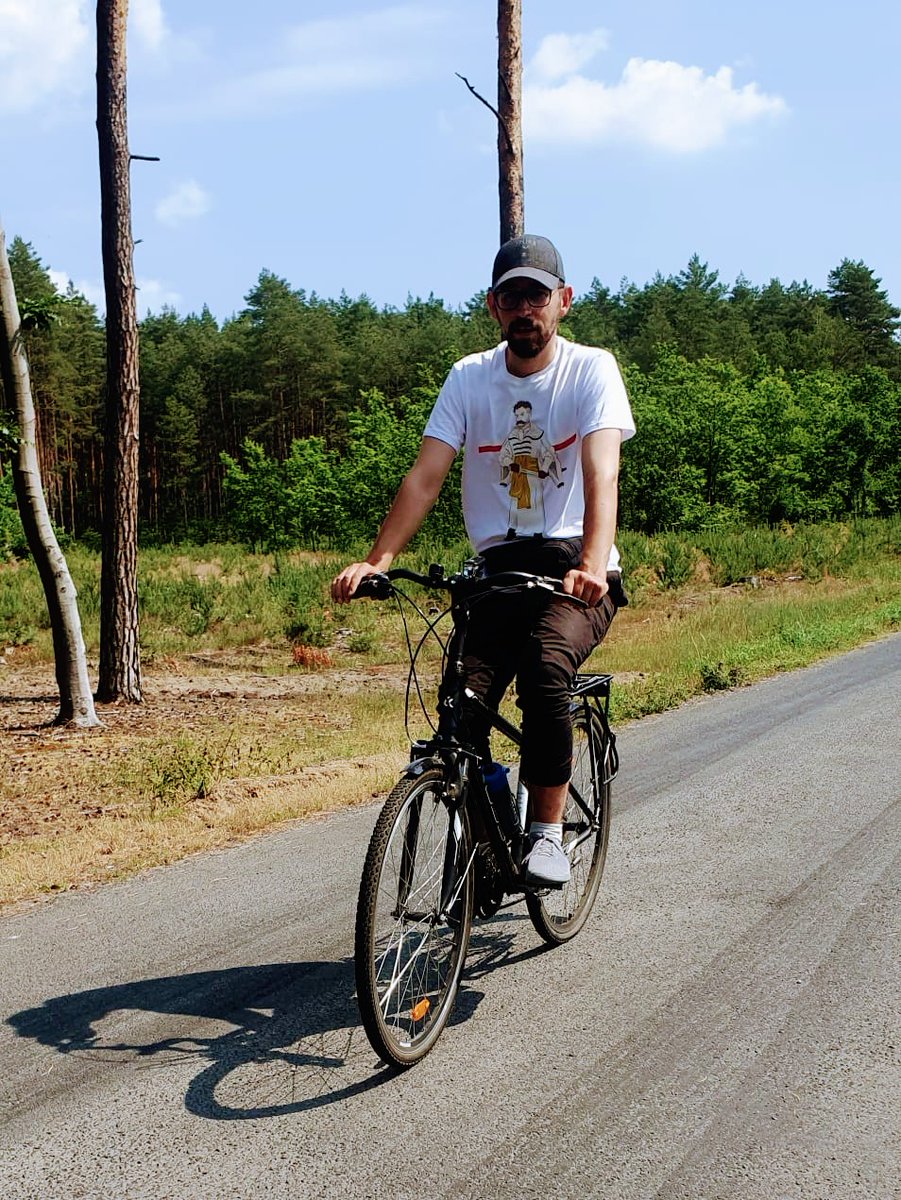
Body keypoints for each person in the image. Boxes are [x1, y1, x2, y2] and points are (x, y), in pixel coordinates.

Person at [332, 234, 635, 885]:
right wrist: (379, 559)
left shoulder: (590, 369)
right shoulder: (470, 378)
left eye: (537, 295)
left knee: (545, 669)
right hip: (497, 570)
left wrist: (588, 562)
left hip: (575, 570)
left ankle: (547, 834)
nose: (525, 309)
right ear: (493, 307)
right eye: (511, 298)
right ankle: (497, 830)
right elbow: (425, 477)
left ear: (563, 301)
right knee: (458, 708)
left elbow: (600, 472)